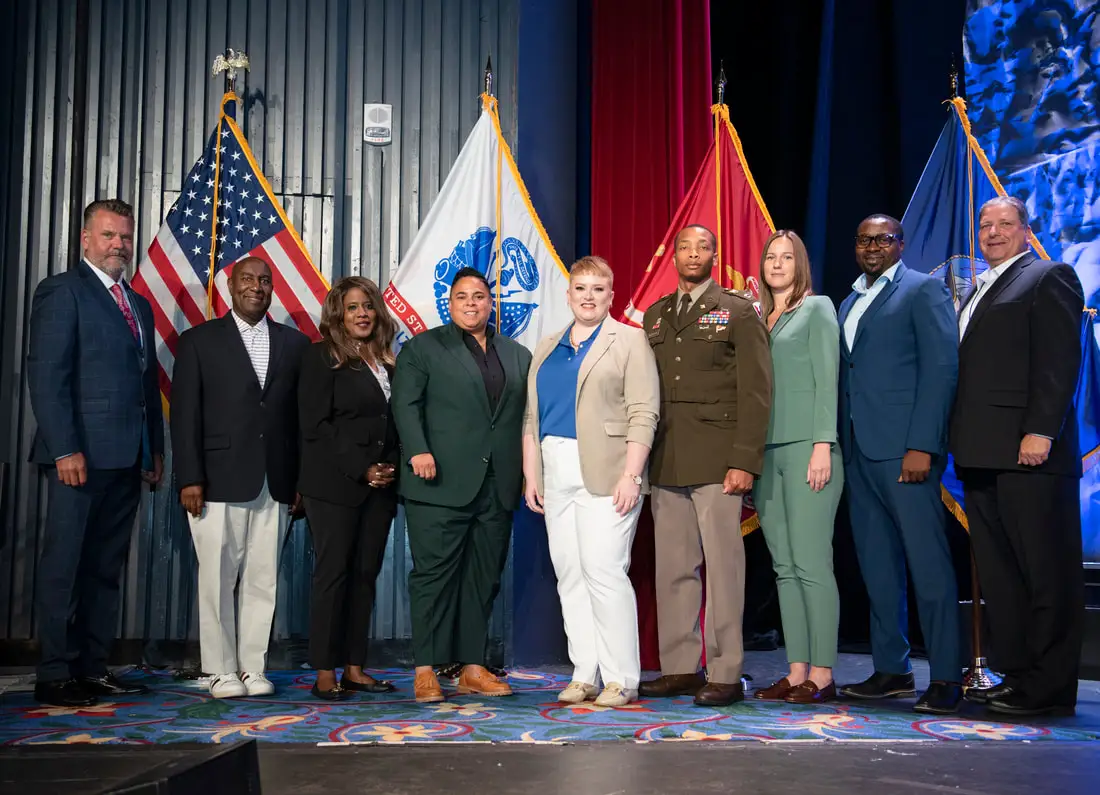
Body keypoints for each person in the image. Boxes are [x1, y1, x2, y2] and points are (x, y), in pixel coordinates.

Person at [26, 199, 164, 707]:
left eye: (125, 237)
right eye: (108, 235)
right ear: (85, 239)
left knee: (105, 568)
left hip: (127, 458)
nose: (118, 245)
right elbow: (47, 377)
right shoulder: (62, 291)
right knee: (65, 566)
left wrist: (154, 449)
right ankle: (54, 674)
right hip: (78, 458)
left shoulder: (139, 304)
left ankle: (92, 667)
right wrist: (65, 448)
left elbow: (145, 384)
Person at [951, 197, 1085, 716]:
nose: (993, 232)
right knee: (1003, 577)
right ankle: (1020, 676)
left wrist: (1040, 431)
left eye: (1005, 224)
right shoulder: (977, 288)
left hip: (1030, 454)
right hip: (981, 453)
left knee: (1045, 574)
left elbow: (1058, 362)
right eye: (985, 224)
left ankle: (1051, 688)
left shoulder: (1049, 276)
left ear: (1027, 231)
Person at [638, 225, 773, 707]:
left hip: (719, 460)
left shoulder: (737, 310)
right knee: (674, 569)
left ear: (715, 255)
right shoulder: (655, 315)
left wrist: (744, 460)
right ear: (673, 256)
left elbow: (757, 391)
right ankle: (680, 668)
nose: (693, 254)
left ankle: (725, 671)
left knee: (723, 570)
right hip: (668, 457)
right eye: (684, 247)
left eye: (702, 247)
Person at [836, 215, 962, 714]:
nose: (873, 246)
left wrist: (923, 445)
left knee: (928, 566)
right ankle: (892, 669)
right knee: (878, 567)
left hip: (906, 451)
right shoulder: (850, 300)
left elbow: (941, 369)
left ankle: (947, 676)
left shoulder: (922, 290)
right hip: (858, 450)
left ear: (901, 244)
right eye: (864, 239)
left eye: (883, 239)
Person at [522, 256, 660, 707]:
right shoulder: (547, 345)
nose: (588, 296)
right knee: (570, 574)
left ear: (611, 296)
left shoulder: (630, 340)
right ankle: (585, 673)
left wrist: (632, 475)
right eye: (581, 288)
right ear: (568, 295)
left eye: (598, 289)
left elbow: (644, 412)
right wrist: (532, 474)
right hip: (555, 470)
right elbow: (531, 418)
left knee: (603, 571)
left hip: (609, 472)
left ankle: (621, 678)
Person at [391, 266, 533, 703]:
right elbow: (404, 404)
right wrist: (418, 450)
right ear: (449, 304)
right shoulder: (423, 348)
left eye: (479, 296)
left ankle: (472, 667)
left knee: (483, 578)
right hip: (438, 482)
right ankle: (425, 669)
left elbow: (524, 416)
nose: (472, 303)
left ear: (491, 303)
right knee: (433, 577)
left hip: (498, 483)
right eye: (462, 297)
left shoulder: (517, 354)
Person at [171, 256, 310, 698]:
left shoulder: (295, 343)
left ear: (272, 288)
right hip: (215, 481)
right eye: (247, 279)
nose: (256, 286)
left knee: (262, 578)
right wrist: (190, 477)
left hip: (276, 480)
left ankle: (253, 668)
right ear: (230, 287)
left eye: (265, 280)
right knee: (216, 577)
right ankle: (220, 670)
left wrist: (300, 479)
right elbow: (185, 416)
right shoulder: (198, 341)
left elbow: (300, 420)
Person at [751, 231, 843, 705]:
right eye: (771, 256)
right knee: (784, 568)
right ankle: (796, 671)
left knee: (811, 564)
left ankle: (823, 674)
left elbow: (828, 379)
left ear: (800, 264)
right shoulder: (760, 319)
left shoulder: (817, 308)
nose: (777, 263)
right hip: (766, 453)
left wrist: (823, 443)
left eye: (787, 257)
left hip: (809, 448)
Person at [298, 277, 400, 701]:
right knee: (333, 576)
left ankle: (355, 667)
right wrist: (362, 469)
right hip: (334, 485)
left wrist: (388, 469)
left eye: (368, 306)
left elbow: (392, 423)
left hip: (381, 488)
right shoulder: (321, 356)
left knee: (364, 576)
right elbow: (316, 425)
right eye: (353, 307)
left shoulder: (388, 361)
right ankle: (325, 671)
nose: (362, 314)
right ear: (338, 314)